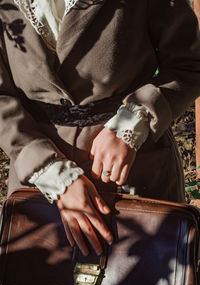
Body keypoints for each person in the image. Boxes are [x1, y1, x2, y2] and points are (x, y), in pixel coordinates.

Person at [0, 0, 200, 257]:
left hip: (137, 169)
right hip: (37, 180)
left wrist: (132, 124)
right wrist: (51, 174)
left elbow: (189, 64)